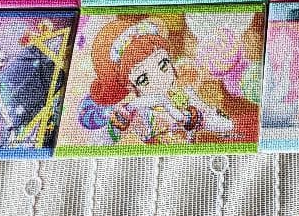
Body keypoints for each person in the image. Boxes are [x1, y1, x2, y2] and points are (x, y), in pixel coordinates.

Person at [87, 18, 233, 145]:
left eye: (163, 64)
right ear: (131, 86)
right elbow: (102, 143)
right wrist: (118, 124)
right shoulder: (138, 113)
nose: (160, 79)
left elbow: (224, 125)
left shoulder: (185, 95)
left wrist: (199, 118)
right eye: (143, 79)